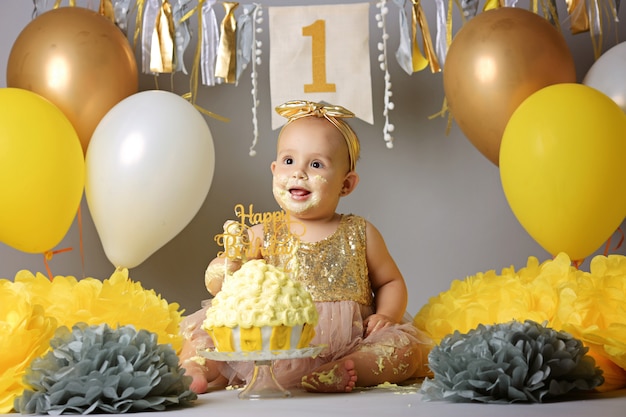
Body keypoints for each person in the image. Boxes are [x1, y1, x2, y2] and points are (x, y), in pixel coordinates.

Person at [179, 100, 433, 394]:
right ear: (274, 170)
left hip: (347, 340)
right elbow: (218, 283)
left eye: (316, 164)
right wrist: (230, 266)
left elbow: (390, 281)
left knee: (403, 350)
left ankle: (349, 368)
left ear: (346, 184)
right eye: (289, 161)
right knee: (206, 332)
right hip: (272, 340)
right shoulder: (263, 233)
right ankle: (196, 366)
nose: (298, 173)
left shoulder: (361, 232)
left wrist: (387, 315)